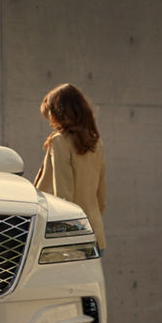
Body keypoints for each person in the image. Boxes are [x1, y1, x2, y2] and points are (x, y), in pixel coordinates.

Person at [33, 83, 106, 252]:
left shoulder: (60, 141)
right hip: (94, 232)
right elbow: (101, 197)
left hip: (68, 236)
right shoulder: (96, 143)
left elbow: (63, 195)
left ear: (59, 112)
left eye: (50, 113)